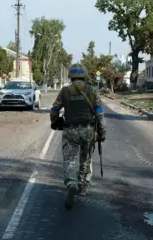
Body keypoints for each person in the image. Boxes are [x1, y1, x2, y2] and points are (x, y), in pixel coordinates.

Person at [50, 63, 107, 210]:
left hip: (70, 130)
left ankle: (71, 184)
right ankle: (83, 187)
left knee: (70, 160)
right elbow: (100, 114)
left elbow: (54, 110)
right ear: (85, 75)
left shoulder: (64, 91)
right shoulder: (92, 91)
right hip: (88, 130)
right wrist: (102, 132)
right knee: (86, 159)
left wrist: (55, 122)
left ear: (71, 76)